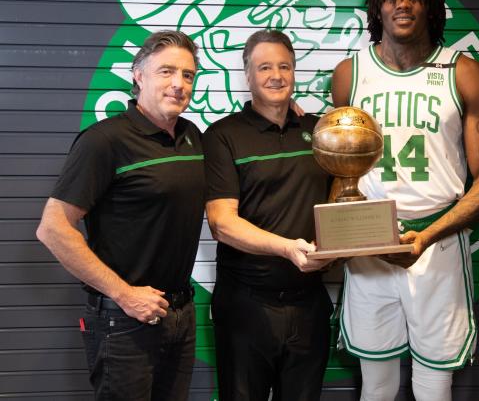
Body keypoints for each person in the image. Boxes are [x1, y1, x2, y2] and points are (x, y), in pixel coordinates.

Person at [332, 0, 479, 401]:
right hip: (370, 242)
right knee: (377, 385)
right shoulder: (350, 74)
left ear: (431, 6)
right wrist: (338, 237)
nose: (402, 5)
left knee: (434, 384)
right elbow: (341, 171)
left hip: (437, 239)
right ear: (377, 8)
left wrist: (426, 236)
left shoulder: (462, 71)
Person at [36, 30, 205, 400]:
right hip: (124, 320)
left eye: (188, 74)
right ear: (138, 75)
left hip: (180, 314)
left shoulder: (192, 136)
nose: (178, 84)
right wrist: (124, 294)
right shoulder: (105, 140)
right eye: (166, 71)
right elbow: (52, 228)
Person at [203, 29, 334, 401]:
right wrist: (288, 248)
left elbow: (341, 202)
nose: (276, 75)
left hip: (309, 303)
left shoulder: (320, 131)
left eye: (284, 66)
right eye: (264, 67)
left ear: (294, 72)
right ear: (247, 75)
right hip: (246, 307)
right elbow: (222, 224)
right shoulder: (222, 135)